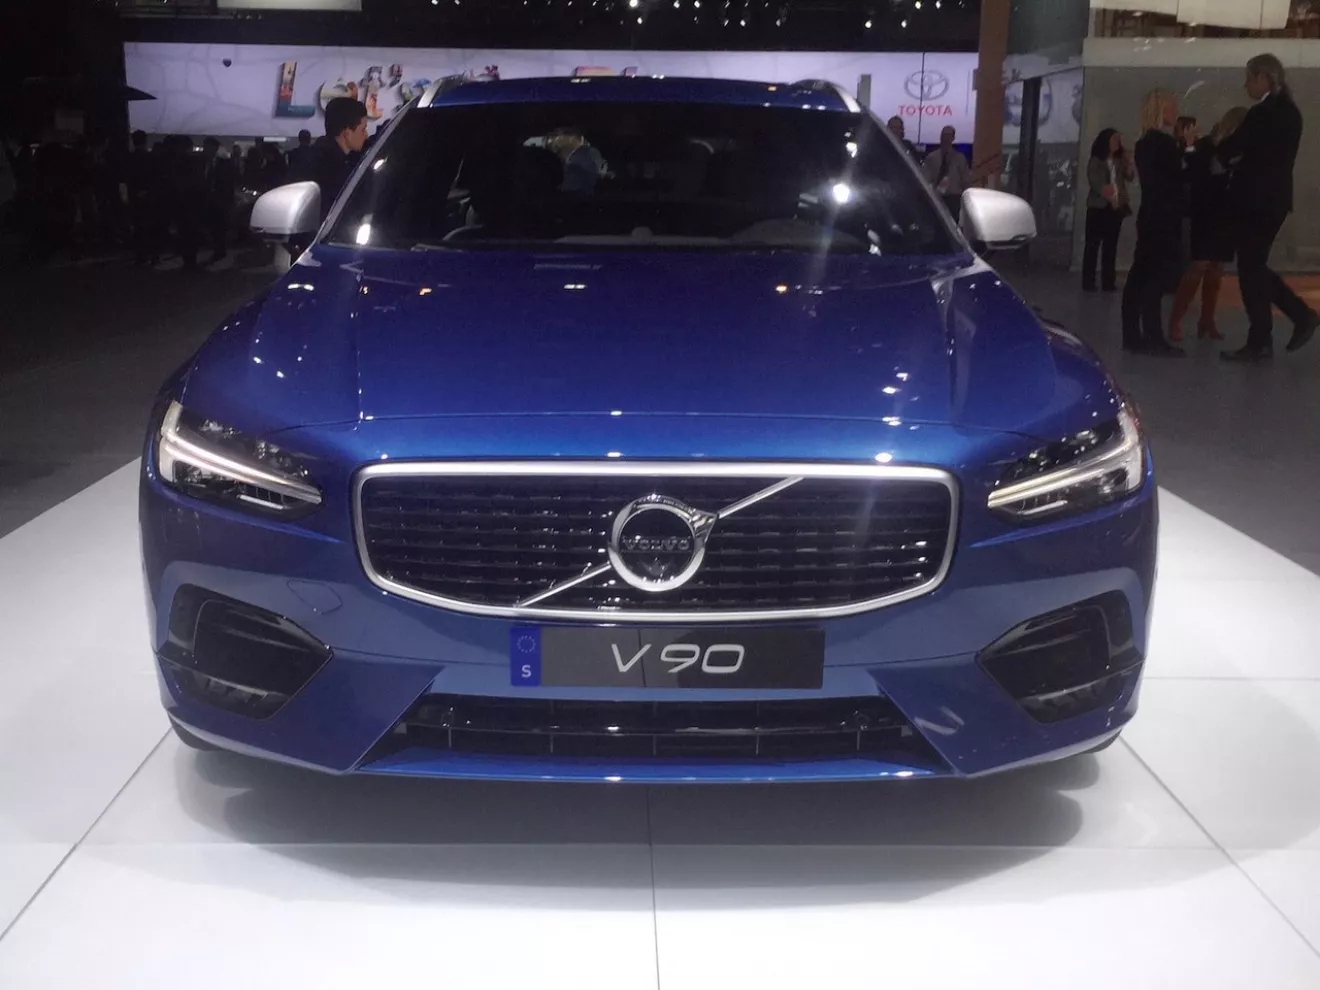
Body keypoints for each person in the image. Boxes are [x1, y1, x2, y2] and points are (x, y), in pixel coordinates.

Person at [1216, 53, 1318, 361]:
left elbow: (1234, 147)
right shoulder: (1291, 112)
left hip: (1255, 201)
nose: (1246, 84)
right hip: (1274, 200)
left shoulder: (1262, 113)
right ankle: (1291, 320)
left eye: (1249, 78)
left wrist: (1219, 151)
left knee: (1251, 269)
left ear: (1264, 78)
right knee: (1254, 267)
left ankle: (1270, 333)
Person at [1168, 107, 1248, 342]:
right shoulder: (1206, 145)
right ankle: (1175, 320)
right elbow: (1192, 173)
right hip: (1206, 211)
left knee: (1216, 268)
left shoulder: (1240, 148)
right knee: (1199, 265)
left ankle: (1207, 321)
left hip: (1225, 212)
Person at [1121, 89, 1186, 357]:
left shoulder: (1145, 143)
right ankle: (1152, 334)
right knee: (1153, 278)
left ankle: (1133, 333)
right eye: (1171, 107)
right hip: (1164, 217)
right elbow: (1178, 180)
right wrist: (1186, 148)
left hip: (1150, 214)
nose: (1176, 112)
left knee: (1141, 274)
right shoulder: (1164, 144)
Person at [1081, 128, 1133, 293]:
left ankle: (1108, 281)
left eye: (1118, 140)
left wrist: (1129, 163)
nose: (1117, 143)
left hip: (1115, 208)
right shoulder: (1096, 160)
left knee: (1111, 246)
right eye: (1114, 139)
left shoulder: (1119, 160)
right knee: (1092, 245)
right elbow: (1095, 182)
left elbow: (1129, 177)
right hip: (1098, 207)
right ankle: (1088, 281)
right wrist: (1109, 194)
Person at [304, 96, 369, 221]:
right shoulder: (332, 169)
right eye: (363, 129)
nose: (366, 135)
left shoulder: (319, 157)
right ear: (347, 133)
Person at [200, 136, 236, 265]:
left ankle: (219, 249)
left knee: (219, 226)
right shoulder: (201, 163)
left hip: (220, 199)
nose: (205, 149)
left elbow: (230, 182)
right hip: (207, 198)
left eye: (208, 147)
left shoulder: (224, 164)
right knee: (212, 225)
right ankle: (217, 248)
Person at [922, 126, 971, 219]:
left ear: (953, 138)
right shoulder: (931, 157)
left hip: (954, 199)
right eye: (944, 135)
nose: (946, 138)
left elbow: (966, 180)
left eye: (948, 135)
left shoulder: (960, 158)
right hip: (937, 197)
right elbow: (925, 178)